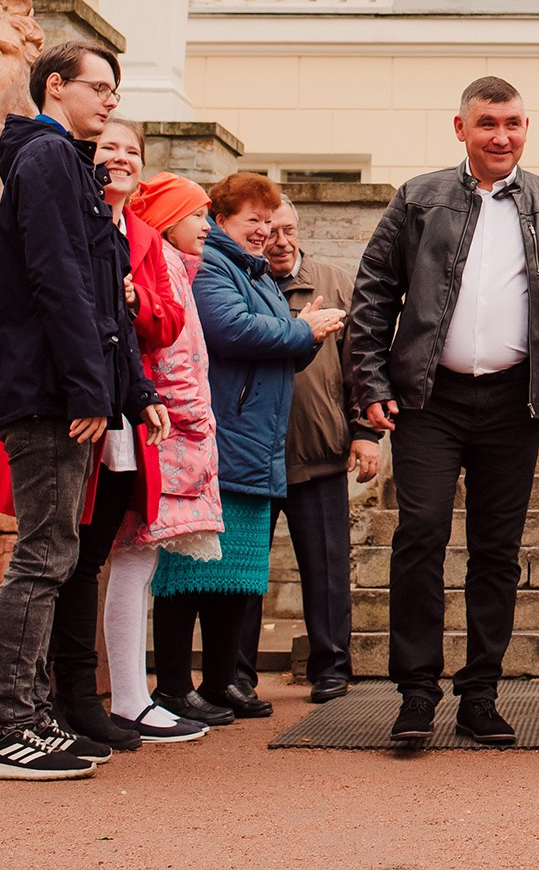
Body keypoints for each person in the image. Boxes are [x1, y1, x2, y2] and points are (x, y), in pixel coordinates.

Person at [348, 76, 539, 749]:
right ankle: (417, 694)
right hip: (427, 398)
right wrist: (368, 382)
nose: (500, 135)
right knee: (419, 535)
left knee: (496, 550)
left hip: (515, 401)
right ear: (461, 129)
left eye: (511, 122)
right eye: (487, 123)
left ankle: (480, 692)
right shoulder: (418, 198)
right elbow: (373, 294)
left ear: (525, 126)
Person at [0, 41, 166, 781]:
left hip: (66, 392)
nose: (111, 100)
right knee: (44, 555)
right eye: (100, 87)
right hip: (48, 395)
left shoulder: (69, 166)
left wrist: (132, 392)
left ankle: (28, 712)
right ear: (56, 86)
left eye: (116, 89)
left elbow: (102, 294)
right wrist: (91, 390)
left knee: (55, 555)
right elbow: (56, 282)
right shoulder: (47, 160)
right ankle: (5, 725)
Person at [151, 172, 342, 727]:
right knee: (190, 571)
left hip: (259, 442)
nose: (263, 231)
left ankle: (219, 683)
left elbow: (281, 350)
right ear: (220, 220)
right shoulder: (213, 266)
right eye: (251, 220)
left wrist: (306, 337)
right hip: (220, 441)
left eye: (269, 219)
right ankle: (173, 687)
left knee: (237, 575)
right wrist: (302, 332)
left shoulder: (253, 272)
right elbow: (231, 330)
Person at [45, 117, 186, 755]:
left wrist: (130, 307)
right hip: (80, 404)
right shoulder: (72, 212)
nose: (121, 157)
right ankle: (61, 699)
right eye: (109, 147)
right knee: (62, 554)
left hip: (128, 406)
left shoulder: (146, 237)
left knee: (91, 554)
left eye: (133, 150)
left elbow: (166, 320)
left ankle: (82, 697)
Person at [234, 197, 381, 705]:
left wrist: (365, 431)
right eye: (269, 229)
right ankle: (236, 677)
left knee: (326, 568)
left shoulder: (336, 282)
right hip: (250, 455)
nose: (279, 239)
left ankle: (331, 668)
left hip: (317, 450)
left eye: (288, 229)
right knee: (243, 571)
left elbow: (363, 361)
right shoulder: (238, 281)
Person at [105, 168, 221, 745]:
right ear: (171, 220)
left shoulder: (175, 266)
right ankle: (129, 698)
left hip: (162, 426)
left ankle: (133, 695)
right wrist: (192, 419)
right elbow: (171, 354)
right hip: (161, 430)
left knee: (136, 561)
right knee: (133, 558)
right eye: (198, 214)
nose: (207, 224)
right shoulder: (166, 267)